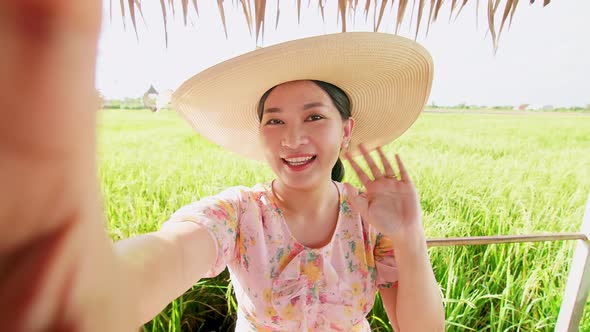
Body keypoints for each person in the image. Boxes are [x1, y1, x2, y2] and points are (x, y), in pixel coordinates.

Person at [0, 1, 443, 331]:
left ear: (345, 131)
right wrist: (98, 294)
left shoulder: (371, 221)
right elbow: (173, 251)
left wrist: (409, 238)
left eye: (314, 117)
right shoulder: (239, 214)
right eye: (275, 121)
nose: (292, 138)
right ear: (259, 132)